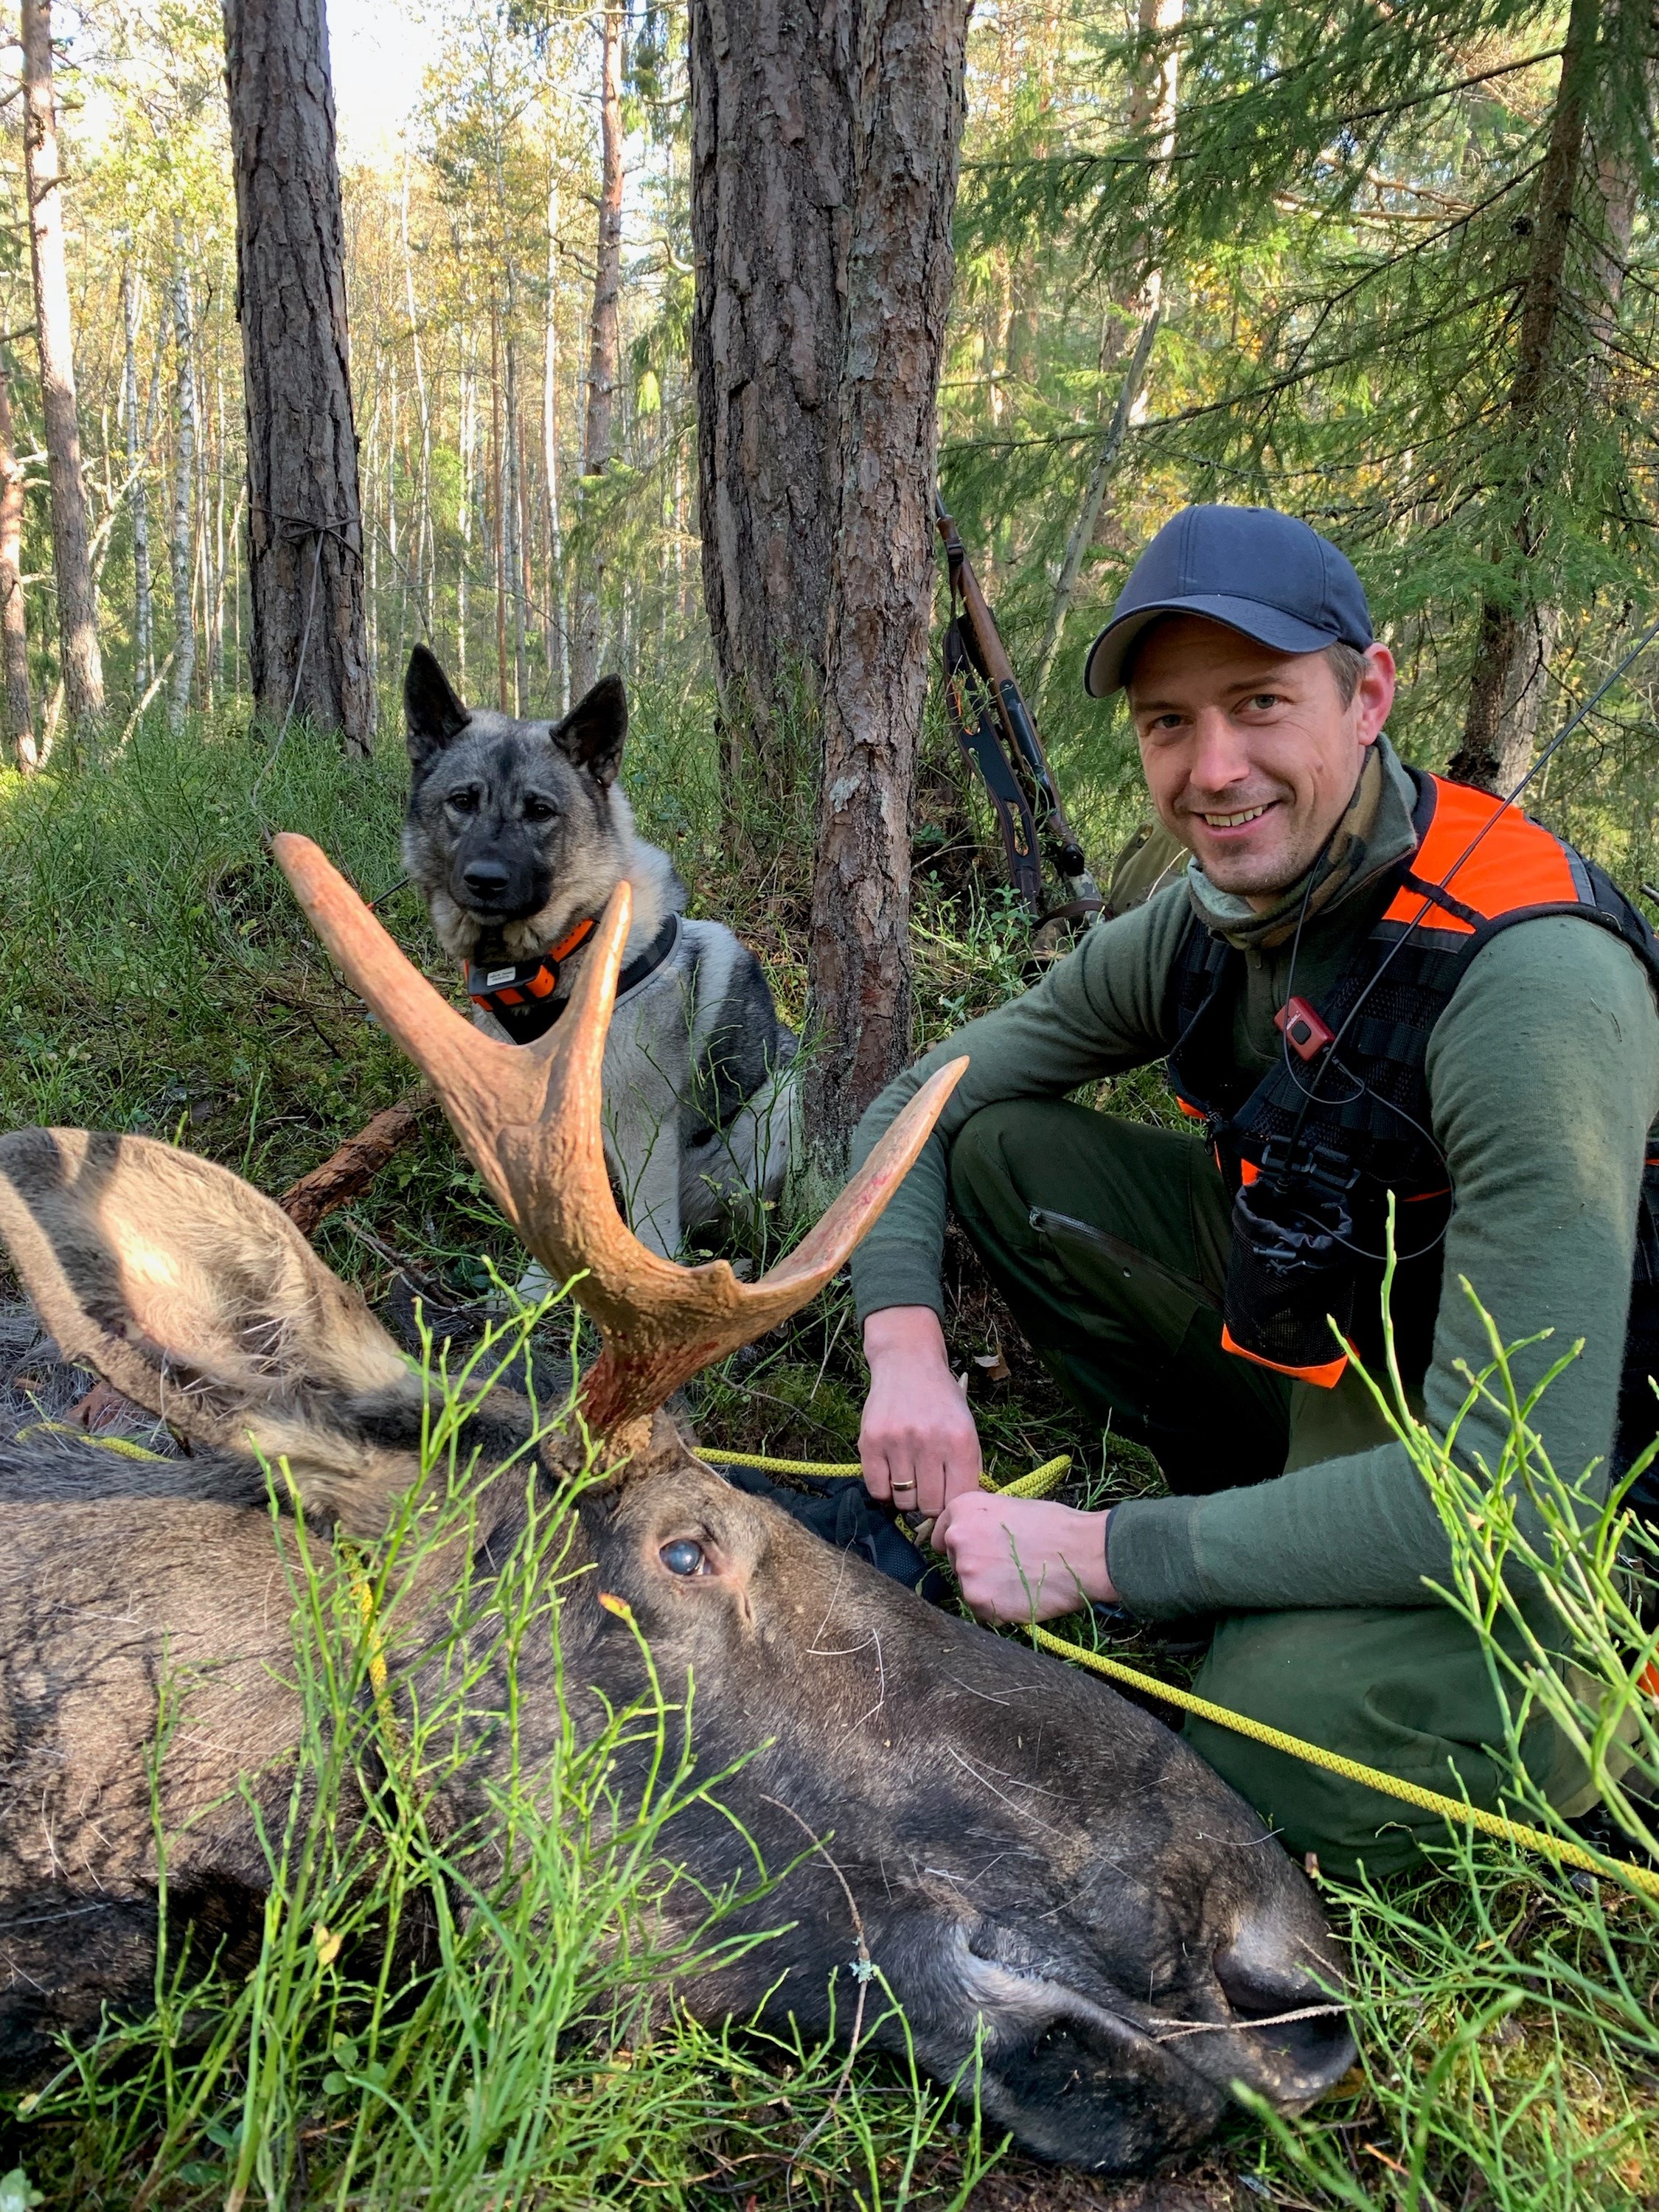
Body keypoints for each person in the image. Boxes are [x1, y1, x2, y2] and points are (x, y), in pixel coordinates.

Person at [850, 503, 1659, 1876]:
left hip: (1560, 1481)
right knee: (1004, 1149)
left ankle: (1588, 1709)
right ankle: (1272, 1537)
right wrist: (903, 1348)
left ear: (1369, 696)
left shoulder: (1527, 982)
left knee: (1270, 1747)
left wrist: (1105, 1553)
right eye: (1168, 722)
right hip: (1345, 1359)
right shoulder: (1204, 921)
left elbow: (1511, 1498)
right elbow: (917, 1104)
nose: (1213, 769)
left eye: (1260, 704)